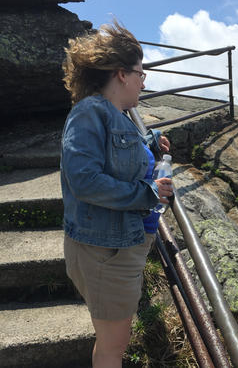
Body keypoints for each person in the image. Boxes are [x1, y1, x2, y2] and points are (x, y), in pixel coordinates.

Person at [60, 20, 172, 368]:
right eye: (141, 73)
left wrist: (150, 143)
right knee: (114, 346)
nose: (143, 81)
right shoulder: (90, 112)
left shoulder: (118, 115)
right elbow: (84, 180)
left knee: (114, 341)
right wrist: (147, 193)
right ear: (122, 74)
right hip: (106, 252)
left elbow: (117, 154)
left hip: (118, 246)